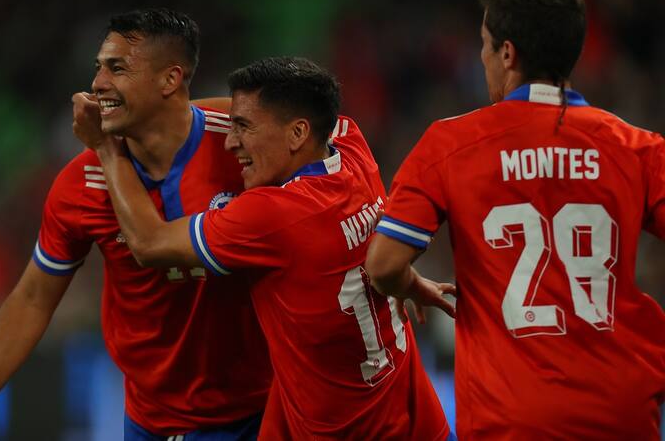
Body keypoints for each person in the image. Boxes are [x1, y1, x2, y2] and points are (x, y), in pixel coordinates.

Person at [72, 56, 455, 440]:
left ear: (296, 134)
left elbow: (149, 245)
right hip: (411, 407)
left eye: (243, 126)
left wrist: (107, 149)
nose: (229, 141)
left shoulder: (273, 216)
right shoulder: (353, 148)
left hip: (346, 429)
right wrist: (401, 277)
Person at [0, 9, 272, 441]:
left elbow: (321, 150)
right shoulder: (79, 183)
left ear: (170, 79)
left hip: (259, 407)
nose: (97, 84)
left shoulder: (239, 139)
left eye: (117, 68)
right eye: (98, 67)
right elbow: (34, 297)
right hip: (153, 420)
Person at [365, 0, 665, 440]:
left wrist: (409, 284)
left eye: (484, 44)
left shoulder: (450, 143)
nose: (481, 57)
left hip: (511, 418)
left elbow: (382, 265)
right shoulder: (638, 148)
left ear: (507, 53)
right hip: (623, 411)